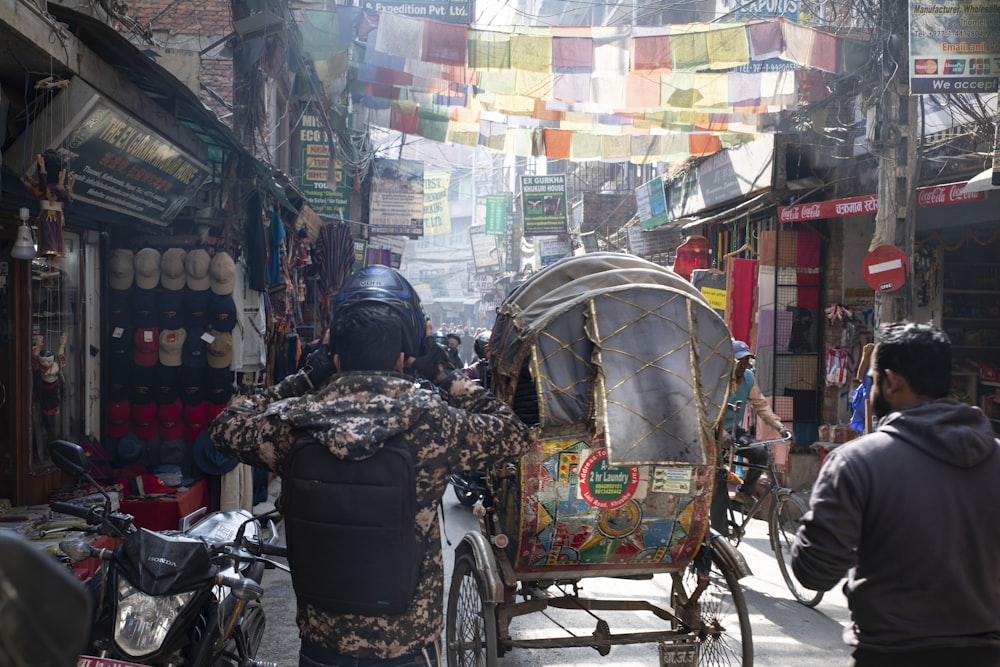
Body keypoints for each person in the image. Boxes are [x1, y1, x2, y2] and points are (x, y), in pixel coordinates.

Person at [209, 266, 533, 667]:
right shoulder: (432, 423)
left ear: (336, 358)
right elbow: (515, 433)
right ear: (403, 360)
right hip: (406, 645)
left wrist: (307, 377)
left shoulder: (293, 421)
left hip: (321, 643)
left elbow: (226, 427)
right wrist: (444, 375)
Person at [792, 322, 1000, 667]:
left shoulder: (856, 463)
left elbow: (814, 570)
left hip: (890, 654)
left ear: (892, 381)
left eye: (872, 379)